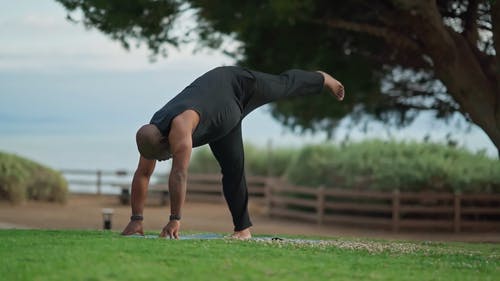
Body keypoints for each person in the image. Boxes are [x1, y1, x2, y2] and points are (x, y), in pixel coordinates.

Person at [121, 66, 345, 239]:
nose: (162, 160)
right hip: (222, 121)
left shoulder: (180, 129)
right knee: (233, 169)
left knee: (282, 85)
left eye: (162, 156)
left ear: (164, 141)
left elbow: (179, 174)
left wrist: (174, 220)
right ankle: (243, 230)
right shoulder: (151, 134)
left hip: (237, 85)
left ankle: (322, 78)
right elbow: (143, 174)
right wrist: (136, 219)